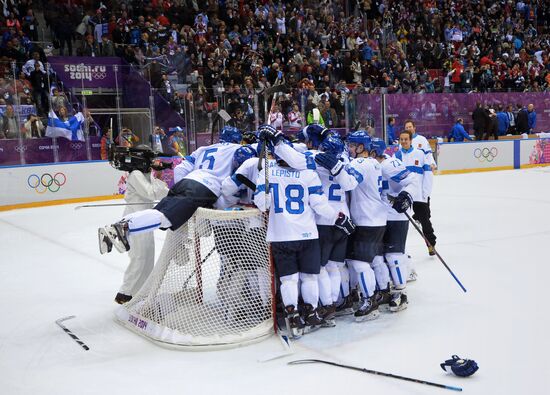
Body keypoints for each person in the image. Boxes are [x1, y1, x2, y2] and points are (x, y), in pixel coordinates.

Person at [253, 130, 354, 337]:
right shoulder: (309, 174)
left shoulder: (269, 172)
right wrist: (339, 218)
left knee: (289, 280)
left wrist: (264, 194)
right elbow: (320, 206)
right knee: (310, 277)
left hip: (281, 235)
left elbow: (261, 203)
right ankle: (311, 312)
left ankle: (293, 316)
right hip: (308, 234)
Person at [98, 126, 243, 255]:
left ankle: (123, 226)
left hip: (187, 182)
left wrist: (181, 188)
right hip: (203, 188)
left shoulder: (203, 149)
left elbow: (180, 168)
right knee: (165, 218)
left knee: (165, 214)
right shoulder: (237, 150)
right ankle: (124, 227)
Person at [114, 145, 169, 304]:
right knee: (139, 257)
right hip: (134, 221)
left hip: (145, 221)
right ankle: (125, 293)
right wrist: (158, 178)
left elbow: (162, 193)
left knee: (148, 255)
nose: (151, 162)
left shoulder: (146, 174)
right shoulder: (136, 174)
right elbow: (150, 193)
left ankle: (143, 290)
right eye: (149, 159)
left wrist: (158, 177)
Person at [370, 138, 415, 312]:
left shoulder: (390, 164)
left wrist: (406, 196)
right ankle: (385, 290)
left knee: (394, 256)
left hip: (396, 216)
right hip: (379, 217)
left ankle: (401, 293)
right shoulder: (369, 167)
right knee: (378, 257)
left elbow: (412, 180)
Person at [396, 130, 436, 255]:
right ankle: (398, 248)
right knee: (399, 222)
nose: (403, 141)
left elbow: (428, 174)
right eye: (401, 139)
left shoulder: (420, 154)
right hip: (403, 195)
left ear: (410, 140)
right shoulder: (396, 156)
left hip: (418, 194)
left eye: (405, 139)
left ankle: (431, 244)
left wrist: (425, 192)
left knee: (425, 220)